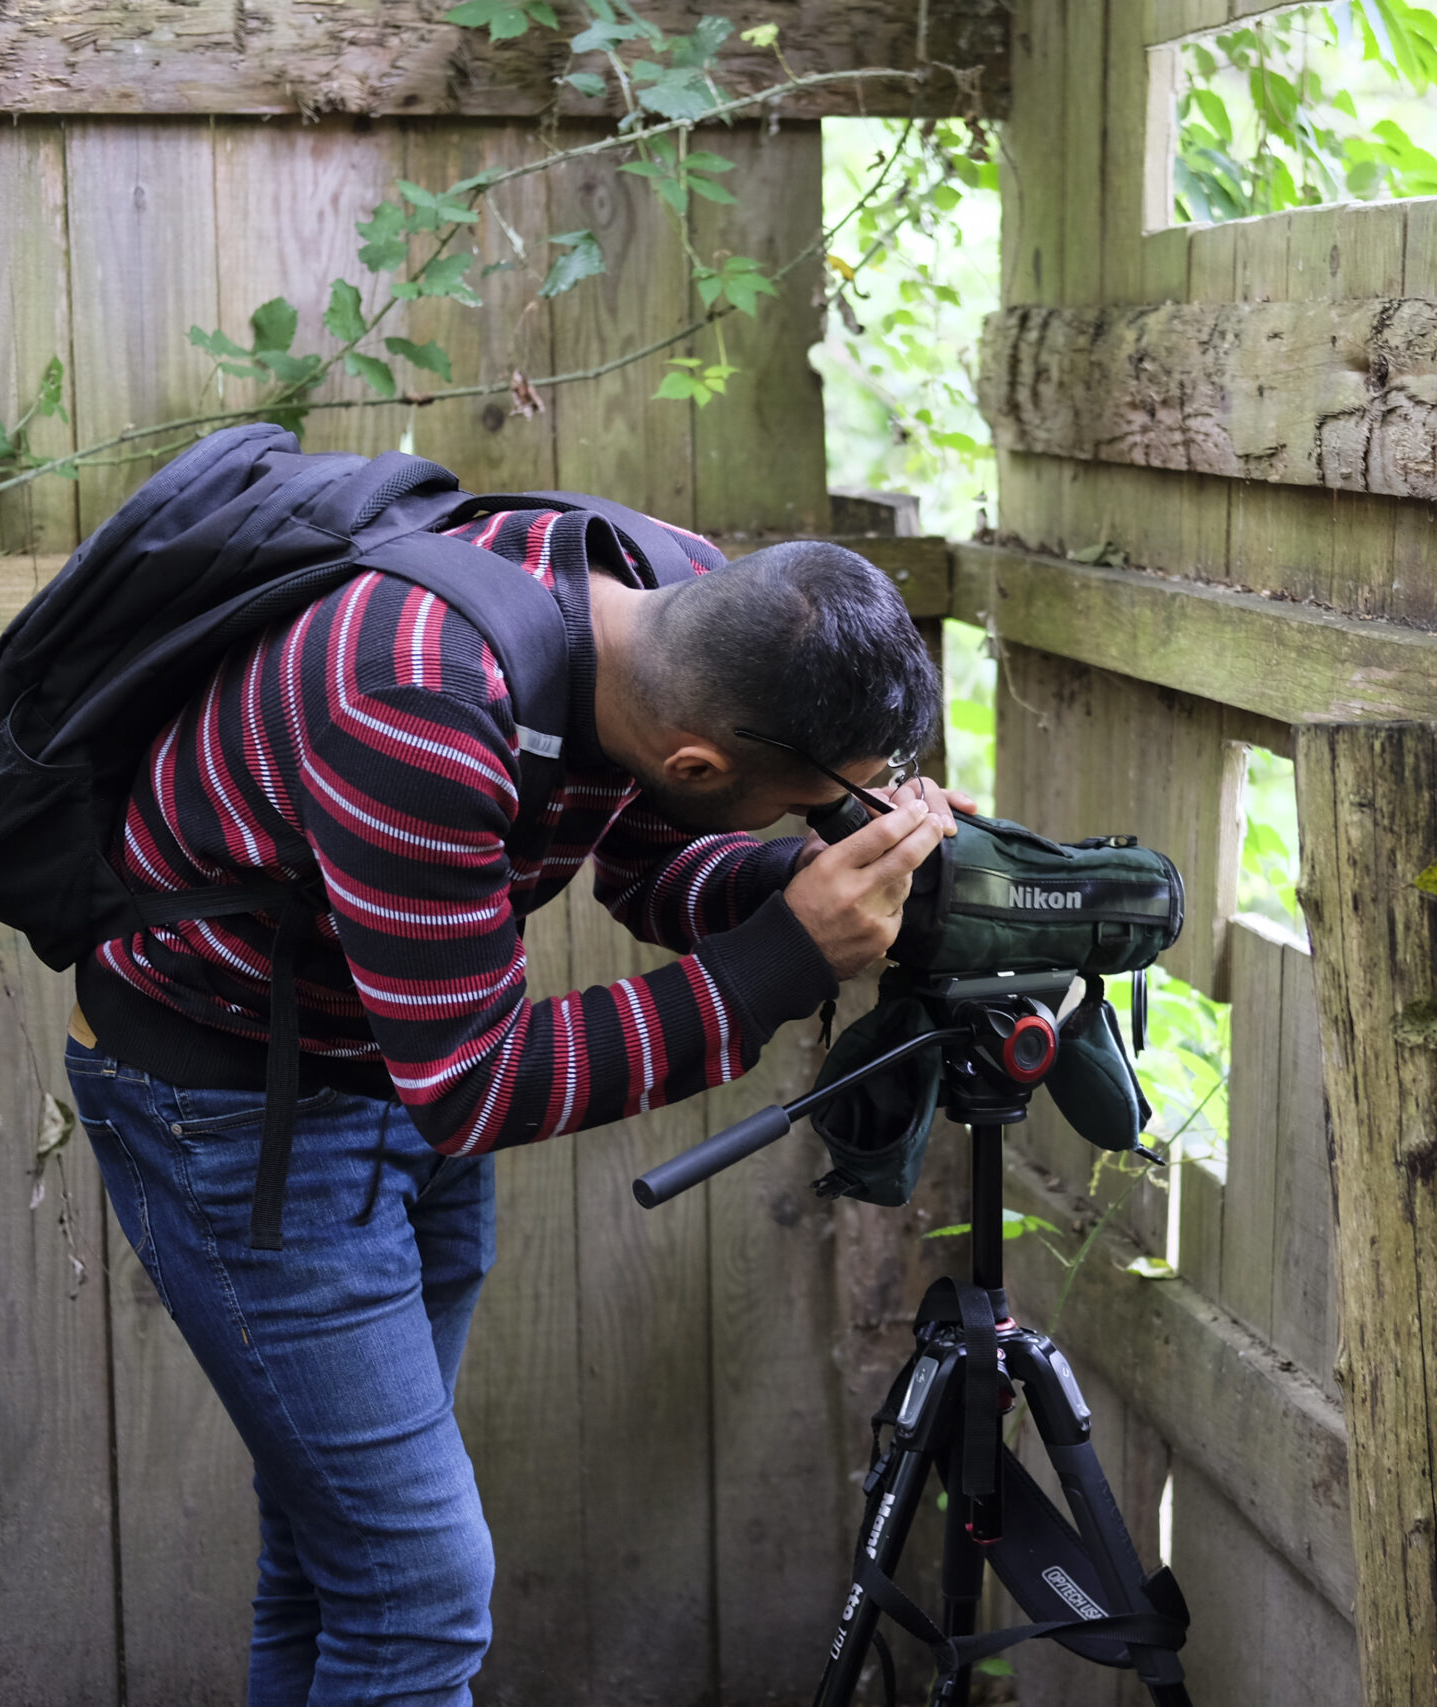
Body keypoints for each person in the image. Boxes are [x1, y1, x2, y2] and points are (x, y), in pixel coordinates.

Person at [61, 503, 966, 1707]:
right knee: (415, 1594)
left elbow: (652, 866)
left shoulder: (674, 600)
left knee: (338, 1565)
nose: (813, 821)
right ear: (700, 758)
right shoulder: (416, 700)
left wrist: (793, 881)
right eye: (799, 807)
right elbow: (475, 1083)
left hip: (398, 1046)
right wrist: (781, 962)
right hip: (233, 1106)